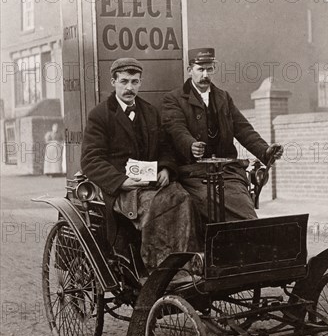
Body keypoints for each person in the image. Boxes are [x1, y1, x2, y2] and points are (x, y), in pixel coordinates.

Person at [81, 57, 200, 269]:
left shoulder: (150, 112)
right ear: (113, 82)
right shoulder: (100, 115)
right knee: (157, 205)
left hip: (152, 183)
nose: (129, 87)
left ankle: (184, 266)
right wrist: (121, 181)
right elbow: (91, 160)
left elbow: (165, 147)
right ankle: (158, 269)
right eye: (124, 81)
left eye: (134, 82)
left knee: (183, 197)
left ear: (140, 83)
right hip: (122, 190)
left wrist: (165, 167)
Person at [162, 47, 283, 222]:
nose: (205, 75)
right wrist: (190, 145)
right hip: (193, 174)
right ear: (189, 71)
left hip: (227, 172)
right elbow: (176, 129)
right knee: (209, 201)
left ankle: (250, 235)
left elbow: (243, 129)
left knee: (240, 200)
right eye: (200, 69)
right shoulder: (174, 99)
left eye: (209, 69)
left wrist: (265, 151)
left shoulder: (223, 98)